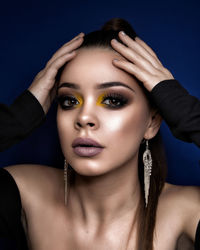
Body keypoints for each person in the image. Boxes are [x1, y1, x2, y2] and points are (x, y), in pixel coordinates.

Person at [0, 18, 199, 250]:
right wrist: (20, 115)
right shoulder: (25, 192)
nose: (84, 117)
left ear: (152, 122)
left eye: (113, 100)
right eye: (69, 100)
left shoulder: (186, 211)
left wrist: (180, 106)